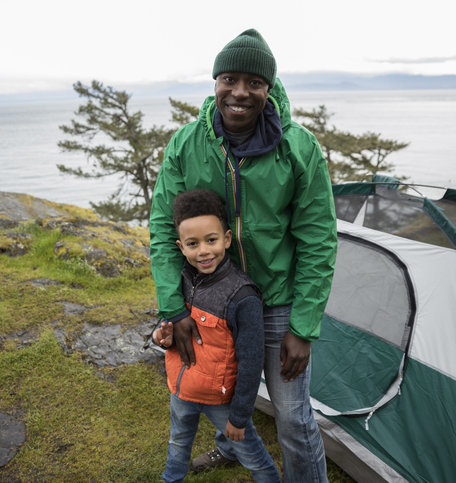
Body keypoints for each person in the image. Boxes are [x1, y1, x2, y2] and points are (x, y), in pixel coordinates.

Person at [150, 29, 337, 482]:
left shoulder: (299, 148)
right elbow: (162, 228)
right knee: (219, 385)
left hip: (276, 299)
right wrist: (174, 308)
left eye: (254, 82)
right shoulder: (186, 144)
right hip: (209, 298)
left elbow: (318, 239)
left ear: (268, 88)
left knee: (293, 416)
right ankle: (230, 449)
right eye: (229, 79)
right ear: (215, 83)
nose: (240, 92)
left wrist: (304, 326)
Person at [153, 189, 281, 483]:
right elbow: (169, 327)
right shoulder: (181, 281)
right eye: (193, 244)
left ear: (226, 238)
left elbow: (251, 361)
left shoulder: (242, 296)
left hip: (221, 401)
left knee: (252, 455)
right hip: (181, 389)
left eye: (211, 240)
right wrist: (163, 336)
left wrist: (238, 416)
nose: (203, 251)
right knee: (178, 443)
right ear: (180, 247)